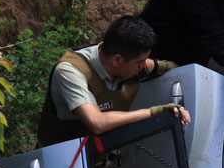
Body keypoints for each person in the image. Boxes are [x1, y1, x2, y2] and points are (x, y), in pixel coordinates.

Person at [37, 14, 190, 147]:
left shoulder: (128, 64)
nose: (144, 65)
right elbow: (97, 123)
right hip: (58, 162)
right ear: (117, 59)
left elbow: (164, 67)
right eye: (139, 62)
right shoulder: (71, 72)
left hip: (97, 161)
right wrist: (155, 112)